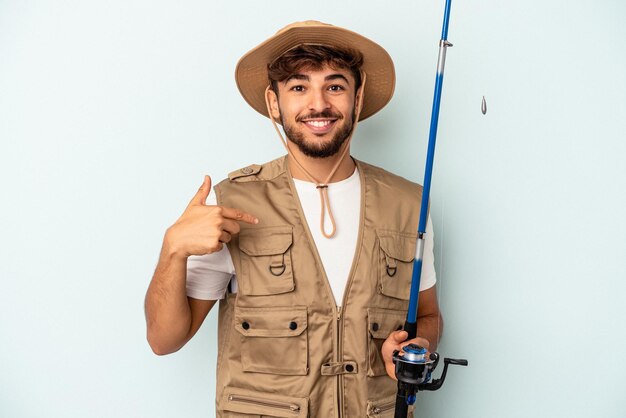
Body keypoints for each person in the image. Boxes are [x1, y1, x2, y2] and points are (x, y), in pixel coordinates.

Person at [145, 20, 443, 417]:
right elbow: (165, 340)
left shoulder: (409, 205)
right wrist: (172, 251)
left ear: (357, 99)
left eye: (335, 86)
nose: (318, 104)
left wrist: (417, 346)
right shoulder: (232, 204)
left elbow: (428, 315)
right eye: (299, 88)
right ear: (274, 103)